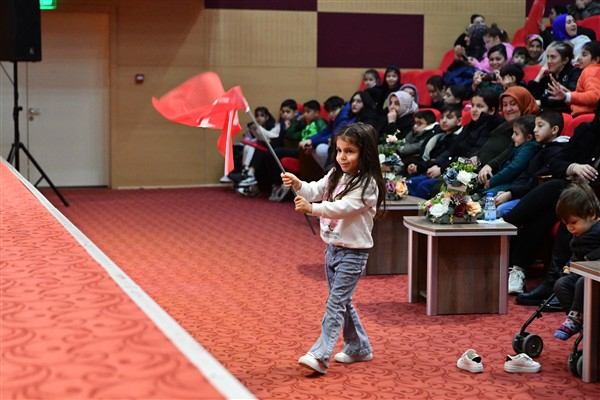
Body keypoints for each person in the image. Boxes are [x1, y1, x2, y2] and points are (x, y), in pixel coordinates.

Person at [280, 123, 386, 375]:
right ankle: (359, 346)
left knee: (335, 303)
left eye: (349, 151)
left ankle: (320, 354)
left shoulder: (368, 183)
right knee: (342, 301)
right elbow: (315, 190)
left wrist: (313, 209)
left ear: (365, 153)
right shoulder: (335, 174)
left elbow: (345, 207)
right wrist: (298, 184)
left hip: (354, 252)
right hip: (332, 250)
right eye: (339, 150)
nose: (342, 157)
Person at [503, 100, 600, 296]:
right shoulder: (587, 131)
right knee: (549, 211)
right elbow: (556, 163)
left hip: (594, 198)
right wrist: (573, 167)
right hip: (575, 192)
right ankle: (534, 275)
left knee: (558, 190)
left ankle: (504, 226)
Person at [495, 108, 569, 217]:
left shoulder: (557, 152)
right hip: (522, 193)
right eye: (535, 126)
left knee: (501, 210)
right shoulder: (541, 148)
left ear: (554, 130)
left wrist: (511, 194)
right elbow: (525, 174)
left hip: (534, 198)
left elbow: (537, 180)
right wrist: (508, 192)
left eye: (540, 125)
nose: (535, 130)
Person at [553, 182, 600, 340]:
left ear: (591, 215)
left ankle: (576, 318)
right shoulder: (580, 234)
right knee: (562, 284)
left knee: (582, 283)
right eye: (566, 224)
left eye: (574, 222)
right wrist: (570, 265)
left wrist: (589, 258)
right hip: (584, 275)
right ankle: (578, 321)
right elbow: (577, 255)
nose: (570, 228)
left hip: (596, 277)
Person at [475, 86, 540, 187]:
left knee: (454, 193)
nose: (508, 109)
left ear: (523, 103)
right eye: (504, 105)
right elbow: (488, 145)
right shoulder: (504, 123)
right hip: (480, 169)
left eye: (513, 104)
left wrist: (490, 165)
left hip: (492, 176)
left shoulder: (528, 128)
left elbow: (510, 150)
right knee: (448, 185)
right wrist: (476, 156)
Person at [406, 105, 464, 199]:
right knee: (410, 182)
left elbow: (448, 158)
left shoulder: (459, 138)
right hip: (429, 168)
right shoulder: (439, 135)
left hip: (445, 172)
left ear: (459, 121)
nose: (444, 120)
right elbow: (428, 155)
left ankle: (422, 212)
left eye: (449, 117)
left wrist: (421, 167)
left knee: (423, 186)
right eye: (442, 117)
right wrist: (415, 165)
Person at [479, 115, 539, 196]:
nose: (512, 136)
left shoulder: (529, 148)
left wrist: (492, 181)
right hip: (505, 182)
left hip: (510, 185)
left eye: (516, 134)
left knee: (482, 196)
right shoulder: (521, 146)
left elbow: (513, 168)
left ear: (528, 137)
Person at [547, 40, 600, 116]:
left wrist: (567, 96)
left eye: (584, 55)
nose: (579, 58)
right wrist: (568, 94)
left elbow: (596, 96)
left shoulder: (591, 70)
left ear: (596, 60)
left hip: (587, 117)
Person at [528, 41, 582, 114]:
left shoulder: (575, 73)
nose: (548, 61)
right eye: (548, 57)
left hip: (563, 114)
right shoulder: (550, 75)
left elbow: (567, 98)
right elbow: (531, 96)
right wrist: (539, 76)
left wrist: (541, 102)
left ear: (565, 60)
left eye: (553, 57)